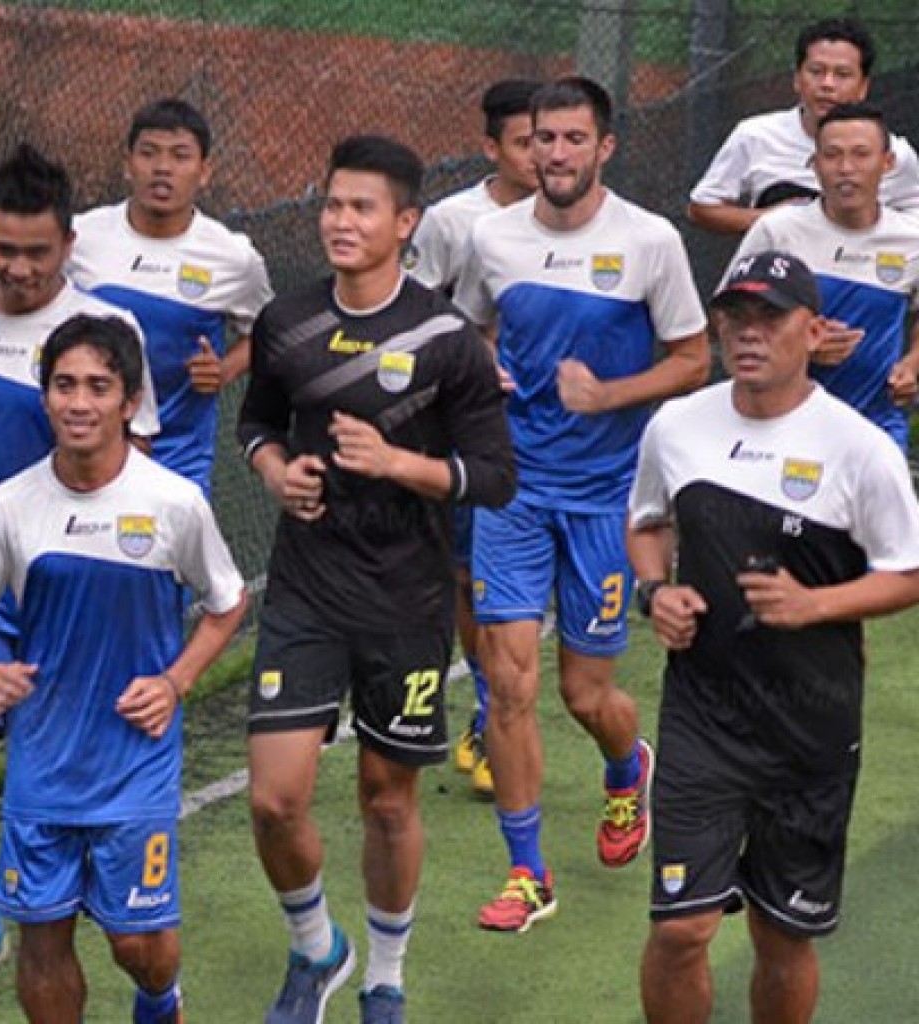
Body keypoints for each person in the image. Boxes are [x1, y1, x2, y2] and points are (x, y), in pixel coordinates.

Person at [238, 134, 515, 1024]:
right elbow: (256, 425)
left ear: (406, 224)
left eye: (362, 208)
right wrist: (279, 472)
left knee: (386, 799)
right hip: (306, 589)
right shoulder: (287, 319)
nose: (340, 221)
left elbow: (494, 477)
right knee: (275, 798)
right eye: (331, 204)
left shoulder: (447, 338)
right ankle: (318, 948)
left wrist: (399, 463)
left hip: (407, 600)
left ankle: (385, 975)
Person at [0, 314, 247, 1024]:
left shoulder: (174, 502)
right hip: (42, 764)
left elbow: (227, 603)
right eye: (64, 384)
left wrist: (176, 682)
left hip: (135, 762)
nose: (79, 402)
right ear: (44, 397)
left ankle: (161, 1001)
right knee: (42, 940)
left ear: (129, 401)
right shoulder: (8, 508)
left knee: (138, 942)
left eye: (98, 387)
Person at [627, 249, 919, 1023]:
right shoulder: (677, 426)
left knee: (782, 933)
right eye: (736, 318)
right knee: (683, 927)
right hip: (703, 719)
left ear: (812, 329)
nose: (748, 335)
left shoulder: (861, 449)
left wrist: (811, 605)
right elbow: (647, 524)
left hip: (810, 725)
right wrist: (657, 591)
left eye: (770, 318)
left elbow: (909, 572)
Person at [453, 75, 710, 933]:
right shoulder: (493, 239)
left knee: (584, 694)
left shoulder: (650, 241)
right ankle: (527, 874)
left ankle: (624, 766)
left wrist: (610, 397)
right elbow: (474, 328)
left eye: (572, 139)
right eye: (541, 140)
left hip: (609, 499)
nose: (554, 154)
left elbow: (692, 358)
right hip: (514, 490)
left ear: (604, 147)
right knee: (507, 681)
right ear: (522, 148)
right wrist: (483, 365)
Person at [0, 143, 159, 1014]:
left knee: (77, 799)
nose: (18, 269)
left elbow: (142, 460)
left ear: (67, 247)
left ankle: (123, 942)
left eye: (37, 253)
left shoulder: (105, 337)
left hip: (74, 592)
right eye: (2, 250)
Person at [408, 76, 541, 796]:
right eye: (525, 142)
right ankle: (491, 712)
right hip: (468, 430)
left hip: (556, 437)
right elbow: (414, 311)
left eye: (551, 139)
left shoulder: (584, 221)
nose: (541, 155)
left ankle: (504, 715)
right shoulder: (454, 223)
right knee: (468, 578)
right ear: (491, 147)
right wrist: (471, 355)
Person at [69, 97, 273, 495]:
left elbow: (269, 330)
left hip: (179, 456)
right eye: (149, 154)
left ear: (205, 171)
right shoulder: (80, 239)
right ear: (128, 163)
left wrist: (225, 370)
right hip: (84, 447)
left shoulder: (233, 258)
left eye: (180, 156)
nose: (162, 169)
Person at [724, 102, 919, 449]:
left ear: (887, 164)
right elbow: (724, 317)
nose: (846, 169)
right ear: (814, 166)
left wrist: (912, 364)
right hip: (778, 428)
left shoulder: (911, 239)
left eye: (861, 154)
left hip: (875, 428)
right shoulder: (777, 230)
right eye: (832, 155)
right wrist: (797, 348)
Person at [688, 17, 919, 236]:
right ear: (797, 78)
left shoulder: (896, 154)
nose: (827, 84)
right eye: (816, 71)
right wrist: (770, 220)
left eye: (842, 74)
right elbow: (702, 207)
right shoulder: (754, 135)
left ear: (863, 87)